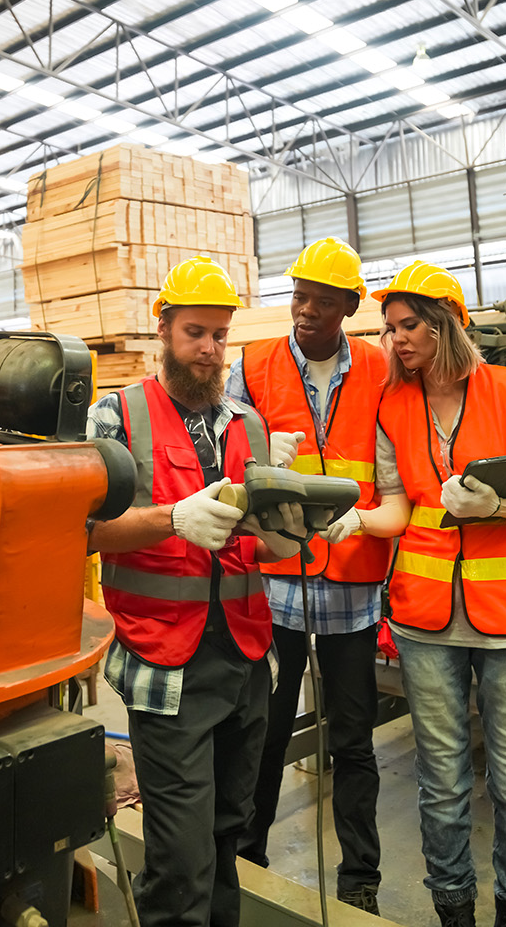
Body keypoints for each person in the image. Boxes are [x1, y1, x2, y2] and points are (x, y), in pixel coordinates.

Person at [340, 260, 506, 927]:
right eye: (390, 328)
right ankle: (454, 911)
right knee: (441, 786)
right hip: (426, 622)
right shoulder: (393, 406)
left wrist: (498, 506)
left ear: (445, 325)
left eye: (409, 325)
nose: (397, 339)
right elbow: (397, 508)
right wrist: (355, 520)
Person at [87, 254, 307, 927]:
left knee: (226, 832)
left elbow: (259, 544)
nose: (210, 349)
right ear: (163, 330)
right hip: (164, 659)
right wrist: (171, 520)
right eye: (195, 333)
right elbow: (83, 531)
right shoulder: (115, 418)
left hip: (244, 659)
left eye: (219, 335)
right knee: (181, 856)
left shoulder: (249, 425)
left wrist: (288, 536)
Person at [229, 238, 392, 913]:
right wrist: (259, 455)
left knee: (353, 739)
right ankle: (247, 857)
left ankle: (359, 880)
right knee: (264, 733)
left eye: (324, 302)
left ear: (350, 307)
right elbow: (226, 457)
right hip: (279, 583)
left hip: (352, 583)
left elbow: (396, 459)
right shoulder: (254, 364)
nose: (306, 311)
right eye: (300, 297)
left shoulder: (381, 367)